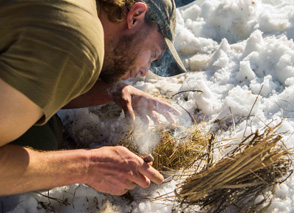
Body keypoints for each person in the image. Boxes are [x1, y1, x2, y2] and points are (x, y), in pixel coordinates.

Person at [0, 0, 186, 196]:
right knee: (41, 141)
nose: (144, 71)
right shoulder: (79, 43)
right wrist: (89, 167)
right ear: (135, 16)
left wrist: (112, 91)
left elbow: (37, 75)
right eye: (153, 54)